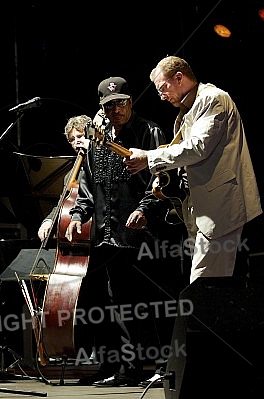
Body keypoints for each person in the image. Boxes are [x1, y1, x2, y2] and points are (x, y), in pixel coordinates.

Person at [65, 77, 181, 387]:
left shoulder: (149, 131)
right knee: (119, 304)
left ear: (130, 102)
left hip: (146, 234)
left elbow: (162, 179)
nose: (116, 109)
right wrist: (78, 214)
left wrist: (145, 209)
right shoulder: (98, 141)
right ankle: (128, 368)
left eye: (121, 103)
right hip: (109, 233)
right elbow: (90, 185)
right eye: (110, 105)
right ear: (101, 107)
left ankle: (162, 366)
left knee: (154, 301)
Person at [124, 55, 262, 284]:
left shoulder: (213, 99)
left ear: (179, 78)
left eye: (164, 88)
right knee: (210, 286)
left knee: (203, 284)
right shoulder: (186, 112)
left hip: (220, 207)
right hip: (202, 210)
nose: (161, 96)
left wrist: (149, 157)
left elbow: (198, 147)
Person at [37, 114, 91, 242]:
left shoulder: (102, 166)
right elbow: (63, 203)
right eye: (72, 139)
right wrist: (49, 220)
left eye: (80, 136)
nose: (76, 141)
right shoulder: (70, 175)